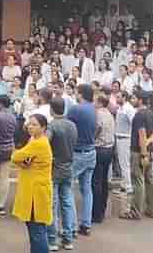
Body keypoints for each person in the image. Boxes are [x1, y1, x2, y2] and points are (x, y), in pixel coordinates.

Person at [11, 114, 53, 253]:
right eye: (29, 123)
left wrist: (21, 162)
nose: (30, 126)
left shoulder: (38, 143)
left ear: (43, 127)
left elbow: (16, 156)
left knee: (37, 231)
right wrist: (24, 163)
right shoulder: (35, 140)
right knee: (35, 230)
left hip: (36, 193)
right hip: (34, 189)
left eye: (34, 124)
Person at [120, 91, 153, 220]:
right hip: (151, 151)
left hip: (138, 152)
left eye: (134, 97)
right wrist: (148, 145)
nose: (132, 99)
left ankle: (135, 211)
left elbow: (141, 134)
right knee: (150, 180)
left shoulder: (139, 116)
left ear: (140, 100)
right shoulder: (151, 114)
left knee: (138, 181)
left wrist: (143, 153)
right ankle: (152, 209)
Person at [46, 97, 77, 251]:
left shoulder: (52, 126)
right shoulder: (72, 125)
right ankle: (68, 238)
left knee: (52, 204)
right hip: (69, 166)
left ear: (52, 109)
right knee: (67, 202)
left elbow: (45, 145)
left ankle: (52, 240)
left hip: (54, 167)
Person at [66, 84, 96, 236]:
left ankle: (70, 227)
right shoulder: (93, 108)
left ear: (81, 94)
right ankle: (86, 224)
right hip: (91, 150)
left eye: (77, 92)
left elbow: (66, 126)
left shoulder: (76, 109)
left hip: (78, 152)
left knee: (67, 188)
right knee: (87, 189)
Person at [91, 94, 115, 223]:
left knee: (96, 181)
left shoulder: (98, 114)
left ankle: (96, 213)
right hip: (109, 148)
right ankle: (102, 209)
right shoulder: (109, 114)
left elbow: (98, 127)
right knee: (104, 180)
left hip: (100, 148)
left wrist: (92, 138)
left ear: (100, 103)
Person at [114, 90, 135, 194]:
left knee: (125, 163)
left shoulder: (128, 109)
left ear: (124, 98)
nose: (117, 99)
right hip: (119, 138)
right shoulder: (120, 108)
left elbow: (134, 123)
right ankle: (123, 184)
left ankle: (128, 186)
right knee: (122, 163)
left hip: (126, 139)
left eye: (118, 97)